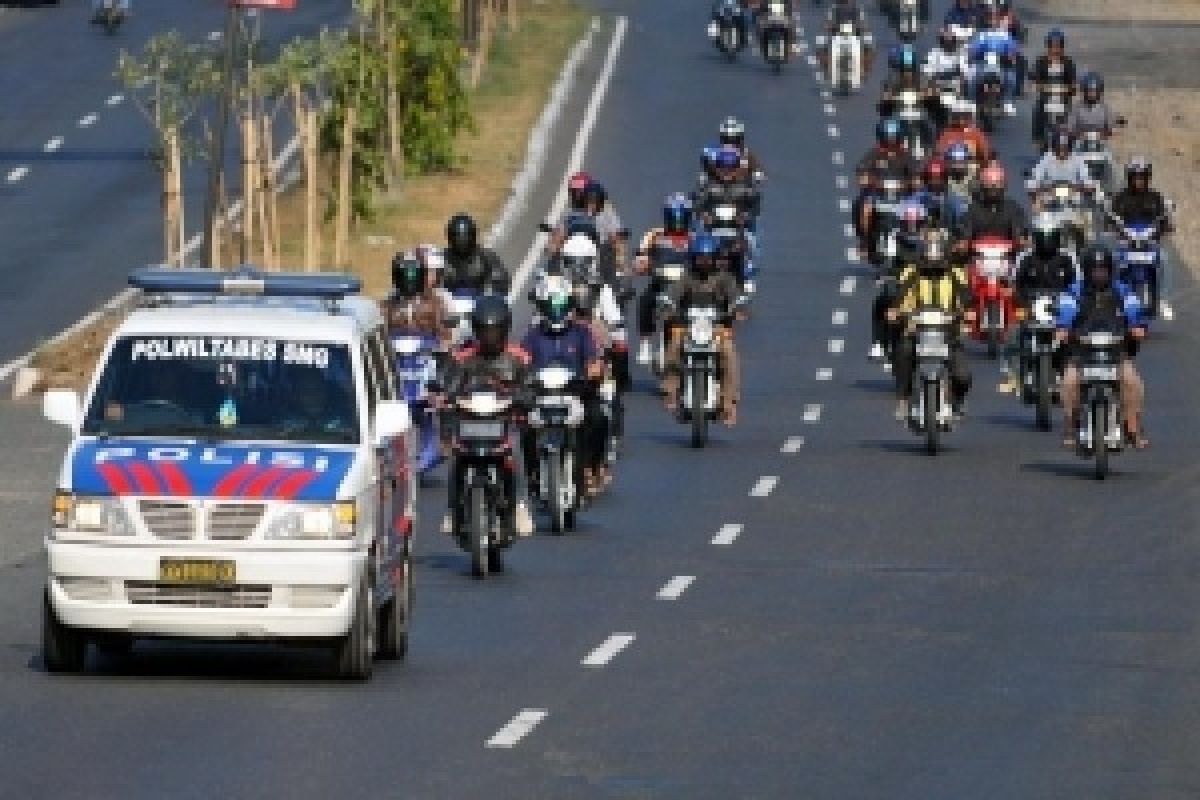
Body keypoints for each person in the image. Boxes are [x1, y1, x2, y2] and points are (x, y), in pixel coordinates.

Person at [440, 296, 534, 536]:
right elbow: (449, 384)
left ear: (504, 329)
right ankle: (452, 510)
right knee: (457, 457)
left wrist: (524, 396)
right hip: (470, 424)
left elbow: (530, 385)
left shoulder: (518, 357)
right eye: (485, 331)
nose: (490, 337)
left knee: (517, 452)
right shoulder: (463, 358)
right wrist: (445, 395)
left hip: (504, 423)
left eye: (495, 331)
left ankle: (521, 506)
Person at [519, 272, 610, 498]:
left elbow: (593, 361)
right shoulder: (533, 335)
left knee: (599, 418)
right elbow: (521, 361)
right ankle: (533, 473)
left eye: (561, 306)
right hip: (541, 396)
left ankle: (591, 466)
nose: (556, 312)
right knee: (526, 428)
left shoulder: (581, 333)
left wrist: (593, 371)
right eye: (551, 306)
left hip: (576, 393)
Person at [1055, 244, 1148, 448]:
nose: (1099, 274)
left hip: (1116, 351)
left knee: (1132, 382)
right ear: (1087, 270)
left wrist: (1136, 326)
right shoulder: (1075, 290)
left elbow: (1133, 307)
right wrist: (1063, 327)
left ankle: (1132, 426)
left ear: (1110, 270)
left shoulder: (1122, 290)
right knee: (1069, 382)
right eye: (1095, 270)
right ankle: (1071, 425)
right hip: (1082, 351)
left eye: (1103, 270)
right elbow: (1066, 308)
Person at [888, 232, 974, 419]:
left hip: (948, 332)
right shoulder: (912, 271)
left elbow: (967, 297)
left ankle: (957, 400)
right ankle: (903, 400)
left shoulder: (955, 272)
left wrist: (968, 311)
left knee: (963, 374)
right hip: (918, 330)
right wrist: (896, 311)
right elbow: (901, 294)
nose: (934, 263)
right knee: (903, 353)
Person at [661, 234, 743, 425]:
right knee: (673, 346)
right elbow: (671, 295)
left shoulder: (725, 279)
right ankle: (671, 392)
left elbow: (736, 298)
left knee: (729, 354)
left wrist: (738, 309)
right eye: (700, 258)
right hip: (689, 327)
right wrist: (667, 307)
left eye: (708, 258)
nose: (704, 262)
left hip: (717, 328)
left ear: (715, 258)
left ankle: (728, 403)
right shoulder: (686, 277)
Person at [999, 212, 1078, 390]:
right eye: (1042, 236)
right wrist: (1017, 298)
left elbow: (1077, 285)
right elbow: (1014, 283)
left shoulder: (1068, 258)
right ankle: (1012, 374)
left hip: (1061, 310)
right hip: (1031, 308)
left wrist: (1071, 303)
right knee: (1013, 332)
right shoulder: (1025, 257)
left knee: (1077, 334)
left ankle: (1075, 374)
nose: (1046, 241)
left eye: (1050, 236)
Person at [1110, 157, 1175, 319]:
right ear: (1129, 178)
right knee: (1111, 262)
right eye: (1135, 177)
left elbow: (1165, 218)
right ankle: (1114, 301)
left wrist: (1166, 227)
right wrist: (1115, 229)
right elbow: (1110, 218)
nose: (1138, 181)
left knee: (1165, 260)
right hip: (1126, 243)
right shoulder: (1121, 198)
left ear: (1147, 178)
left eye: (1142, 177)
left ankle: (1164, 301)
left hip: (1149, 243)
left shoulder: (1155, 197)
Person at [634, 194, 694, 365]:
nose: (677, 222)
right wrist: (643, 264)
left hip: (687, 287)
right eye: (673, 216)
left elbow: (708, 258)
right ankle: (645, 343)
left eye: (682, 216)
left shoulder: (695, 237)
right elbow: (640, 258)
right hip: (661, 283)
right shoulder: (654, 235)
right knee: (645, 300)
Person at [855, 119, 920, 259]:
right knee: (864, 208)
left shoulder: (906, 155)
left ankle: (914, 242)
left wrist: (913, 182)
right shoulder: (875, 153)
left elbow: (917, 175)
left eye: (893, 137)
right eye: (888, 137)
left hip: (902, 197)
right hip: (878, 195)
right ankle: (865, 242)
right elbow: (862, 170)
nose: (891, 141)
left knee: (919, 211)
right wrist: (866, 179)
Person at [965, 4, 1021, 116]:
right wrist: (972, 54)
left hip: (1001, 65)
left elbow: (1013, 49)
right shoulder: (982, 34)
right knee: (971, 76)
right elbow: (974, 48)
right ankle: (971, 102)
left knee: (1011, 78)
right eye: (991, 18)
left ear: (1000, 20)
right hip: (982, 65)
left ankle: (1007, 102)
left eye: (996, 18)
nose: (994, 20)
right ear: (988, 20)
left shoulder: (1005, 35)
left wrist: (1011, 55)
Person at [383, 251, 449, 344]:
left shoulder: (436, 303)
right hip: (396, 354)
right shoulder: (387, 305)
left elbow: (445, 334)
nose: (409, 280)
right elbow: (382, 334)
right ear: (396, 277)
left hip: (428, 353)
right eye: (404, 275)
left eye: (414, 275)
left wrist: (443, 344)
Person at [956, 163, 1027, 248]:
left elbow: (1019, 227)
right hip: (978, 255)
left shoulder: (1012, 207)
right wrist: (964, 241)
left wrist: (1020, 239)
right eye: (990, 190)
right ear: (983, 188)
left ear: (1003, 188)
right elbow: (966, 227)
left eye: (997, 190)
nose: (994, 194)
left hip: (1007, 256)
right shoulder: (974, 208)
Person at [443, 212, 510, 294]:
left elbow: (501, 277)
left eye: (465, 237)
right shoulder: (441, 259)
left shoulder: (486, 256)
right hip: (447, 304)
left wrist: (494, 286)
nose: (462, 241)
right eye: (457, 237)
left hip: (480, 303)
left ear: (473, 236)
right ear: (450, 237)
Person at [1029, 28, 1076, 144]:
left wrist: (1072, 88)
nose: (1055, 49)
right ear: (1048, 46)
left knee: (1071, 116)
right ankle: (1038, 138)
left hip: (1063, 97)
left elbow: (1073, 82)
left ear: (1062, 47)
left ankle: (1071, 140)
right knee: (1037, 111)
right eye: (1052, 46)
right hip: (1046, 96)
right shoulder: (1041, 61)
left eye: (1058, 46)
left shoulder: (1068, 62)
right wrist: (1037, 86)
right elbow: (1035, 78)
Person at [1029, 130, 1093, 208]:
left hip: (1074, 200)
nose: (1061, 152)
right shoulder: (1047, 158)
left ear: (1070, 148)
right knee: (1037, 208)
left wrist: (1088, 185)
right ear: (1054, 148)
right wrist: (1033, 186)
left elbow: (1086, 176)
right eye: (1058, 149)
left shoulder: (1078, 159)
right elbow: (1037, 174)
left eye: (1065, 149)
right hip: (1050, 199)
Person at [933, 100, 994, 165]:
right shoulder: (947, 133)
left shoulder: (976, 133)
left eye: (965, 116)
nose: (961, 119)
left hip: (973, 167)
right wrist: (938, 155)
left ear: (971, 117)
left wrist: (987, 156)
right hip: (949, 166)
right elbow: (939, 149)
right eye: (957, 116)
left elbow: (985, 149)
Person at [1064, 71, 1118, 139]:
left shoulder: (1105, 109)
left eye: (1095, 91)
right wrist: (1081, 134)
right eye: (1089, 91)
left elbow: (1113, 128)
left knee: (1108, 150)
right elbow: (1069, 128)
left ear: (1099, 91)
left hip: (1100, 143)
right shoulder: (1076, 108)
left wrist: (1102, 134)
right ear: (1084, 91)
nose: (1092, 94)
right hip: (1080, 143)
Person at [718, 117, 766, 183]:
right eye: (727, 140)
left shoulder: (748, 157)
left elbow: (761, 176)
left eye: (735, 140)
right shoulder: (716, 157)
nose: (731, 145)